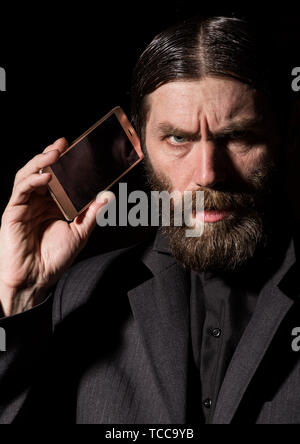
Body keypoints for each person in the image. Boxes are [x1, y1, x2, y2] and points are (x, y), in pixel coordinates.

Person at [0, 16, 299, 424]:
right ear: (139, 145)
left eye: (238, 136)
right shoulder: (81, 296)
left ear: (284, 136)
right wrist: (21, 296)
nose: (209, 173)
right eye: (178, 138)